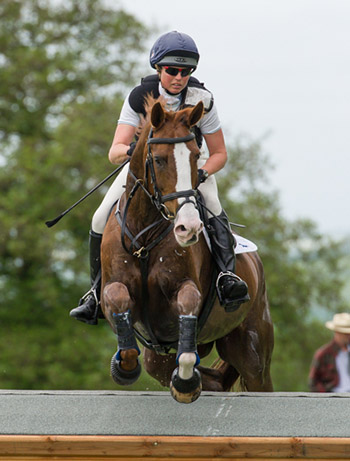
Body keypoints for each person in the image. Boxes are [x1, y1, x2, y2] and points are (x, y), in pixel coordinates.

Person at [69, 31, 249, 325]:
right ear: (158, 69)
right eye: (172, 70)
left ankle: (227, 277)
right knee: (100, 217)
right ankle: (93, 293)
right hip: (147, 164)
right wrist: (136, 153)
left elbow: (219, 153)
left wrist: (200, 174)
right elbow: (115, 150)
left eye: (186, 71)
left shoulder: (202, 99)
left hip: (191, 162)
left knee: (213, 204)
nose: (179, 77)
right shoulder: (139, 97)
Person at [309, 312, 350, 392]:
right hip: (333, 396)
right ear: (337, 333)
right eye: (345, 334)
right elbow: (313, 383)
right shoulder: (323, 354)